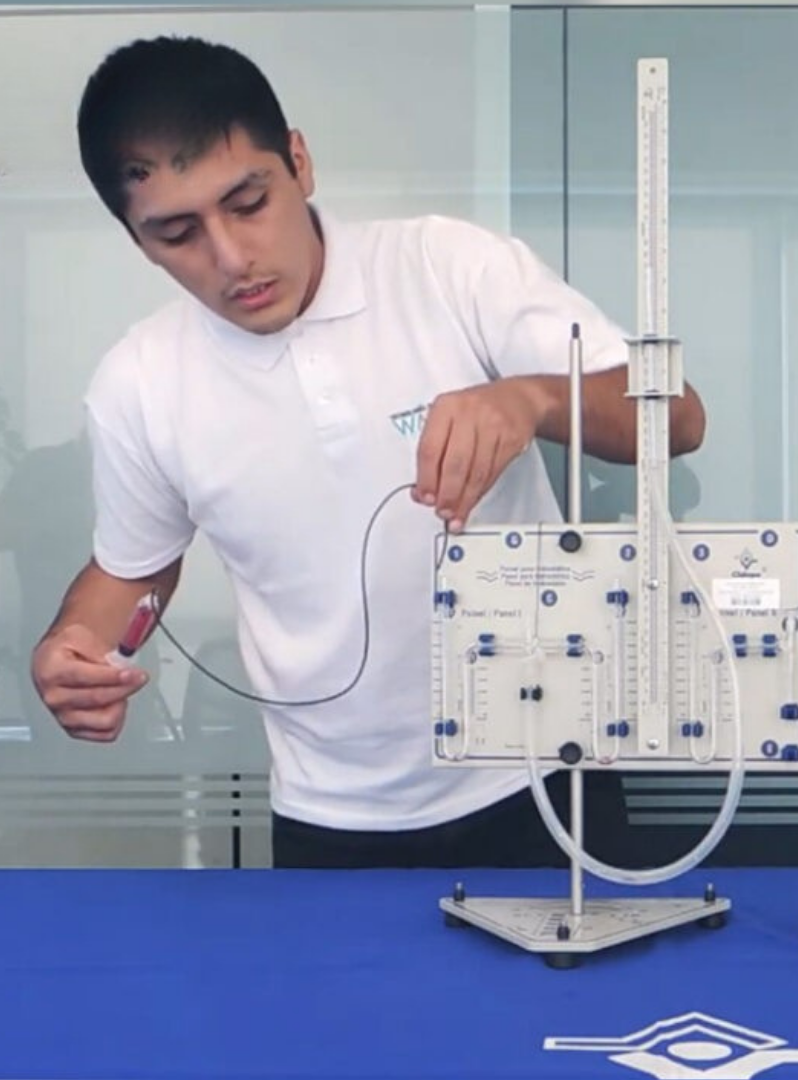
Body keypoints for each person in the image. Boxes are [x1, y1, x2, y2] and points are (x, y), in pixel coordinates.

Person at [30, 36, 707, 869]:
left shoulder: (448, 267)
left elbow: (678, 417)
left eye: (249, 202)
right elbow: (133, 569)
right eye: (177, 233)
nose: (232, 258)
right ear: (138, 242)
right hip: (328, 814)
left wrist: (531, 398)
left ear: (300, 162)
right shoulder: (138, 380)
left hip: (544, 778)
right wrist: (72, 650)